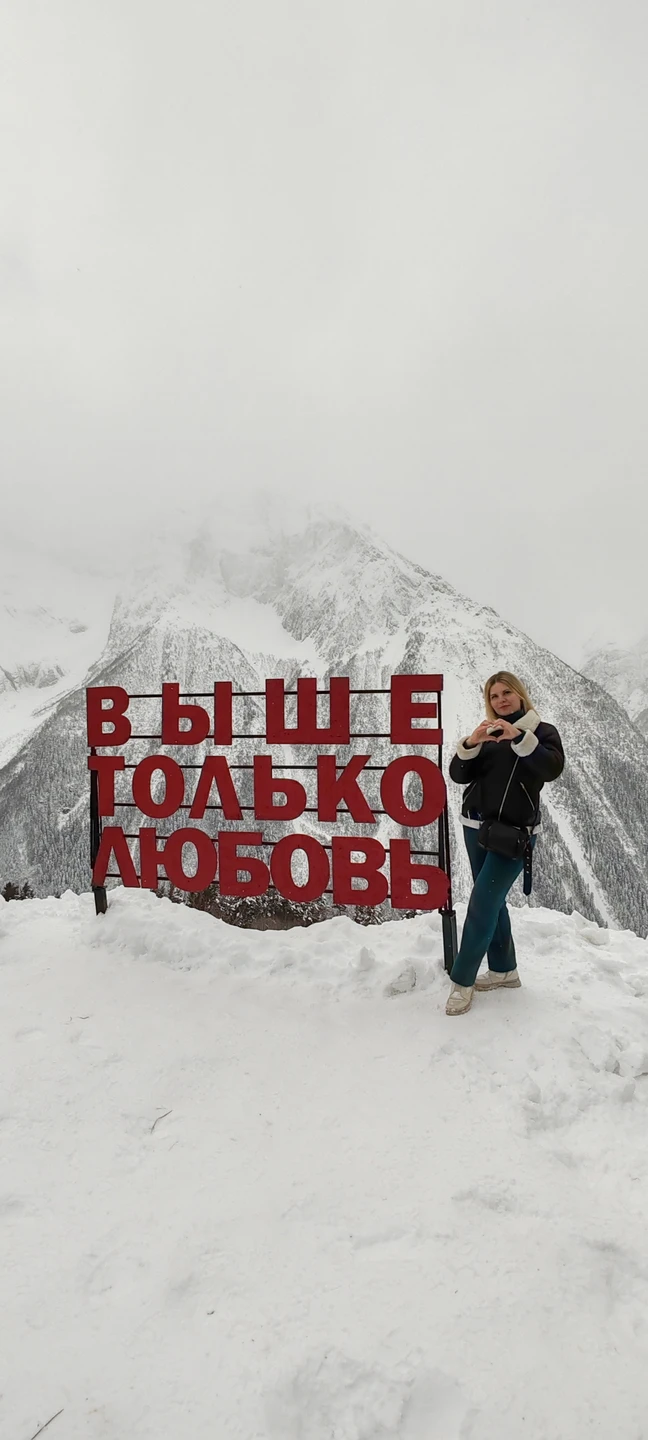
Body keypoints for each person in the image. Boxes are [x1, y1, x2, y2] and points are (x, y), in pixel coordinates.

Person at [445, 671, 564, 1016]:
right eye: (494, 696)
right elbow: (458, 775)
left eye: (506, 693)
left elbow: (552, 768)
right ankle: (504, 970)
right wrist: (471, 744)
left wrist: (519, 737)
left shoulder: (541, 732)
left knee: (482, 903)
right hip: (475, 827)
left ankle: (462, 980)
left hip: (514, 834)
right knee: (492, 902)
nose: (501, 700)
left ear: (520, 695)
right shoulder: (488, 733)